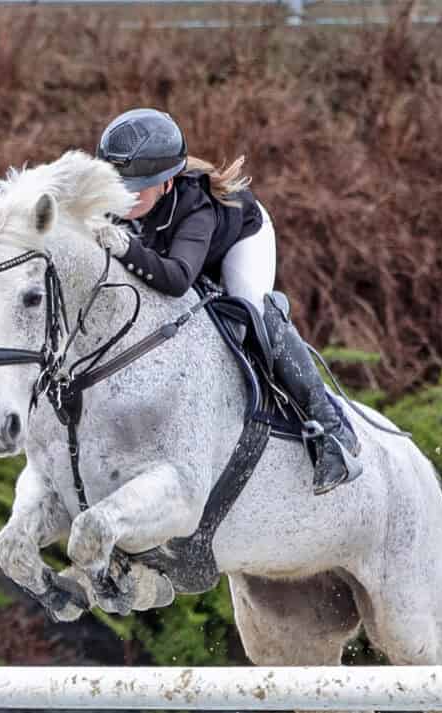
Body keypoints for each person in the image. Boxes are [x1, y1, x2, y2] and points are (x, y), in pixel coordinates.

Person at [96, 107, 360, 495]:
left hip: (239, 239)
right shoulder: (118, 197)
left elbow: (176, 280)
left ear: (167, 183)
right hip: (172, 250)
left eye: (136, 190)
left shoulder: (197, 207)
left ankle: (331, 431)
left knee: (251, 309)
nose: (123, 198)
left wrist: (124, 248)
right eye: (117, 186)